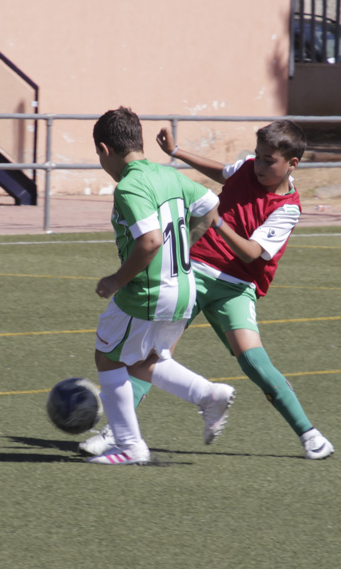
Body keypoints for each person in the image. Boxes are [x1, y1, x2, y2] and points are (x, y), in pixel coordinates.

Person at [82, 120, 334, 460]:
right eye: (257, 156)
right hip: (194, 273)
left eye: (268, 160)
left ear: (292, 164)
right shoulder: (247, 169)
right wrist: (176, 152)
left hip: (236, 286)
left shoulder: (287, 208)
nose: (258, 165)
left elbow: (250, 253)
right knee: (151, 355)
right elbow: (223, 172)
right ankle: (117, 432)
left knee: (254, 362)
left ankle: (309, 433)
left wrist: (217, 221)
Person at [87, 107, 236, 465]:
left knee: (107, 357)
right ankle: (208, 394)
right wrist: (184, 243)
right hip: (184, 288)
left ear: (105, 150)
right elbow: (212, 206)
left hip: (148, 292)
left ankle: (128, 445)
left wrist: (116, 280)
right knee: (144, 360)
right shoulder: (167, 176)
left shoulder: (130, 185)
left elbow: (150, 241)